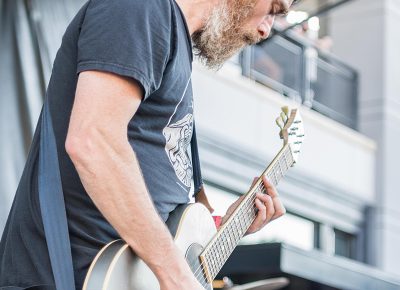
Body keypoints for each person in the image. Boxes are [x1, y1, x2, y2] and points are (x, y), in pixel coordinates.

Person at [0, 0, 296, 289]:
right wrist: (176, 275)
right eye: (273, 10)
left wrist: (224, 226)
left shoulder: (174, 42)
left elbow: (162, 220)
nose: (266, 30)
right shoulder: (141, 8)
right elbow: (93, 141)